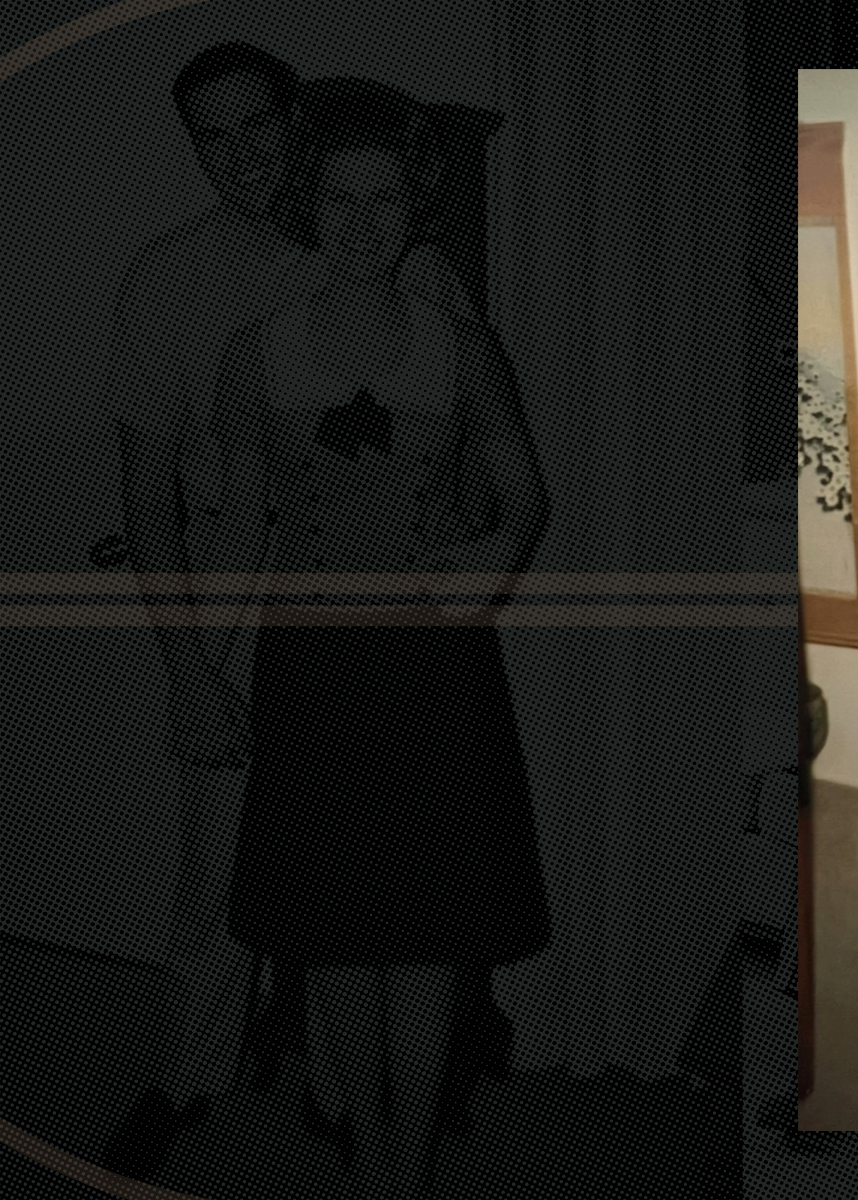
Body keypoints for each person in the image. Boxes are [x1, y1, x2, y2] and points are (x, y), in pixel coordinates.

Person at [97, 43, 488, 1182]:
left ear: (298, 122)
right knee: (215, 868)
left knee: (355, 863)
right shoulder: (166, 278)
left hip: (368, 599)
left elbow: (471, 454)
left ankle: (339, 1092)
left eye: (257, 125)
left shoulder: (409, 267)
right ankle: (191, 1076)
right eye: (210, 138)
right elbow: (146, 492)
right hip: (235, 576)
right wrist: (187, 673)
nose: (239, 156)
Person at [206, 94, 552, 1199]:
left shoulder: (463, 348)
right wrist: (199, 672)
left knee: (429, 927)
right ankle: (369, 1152)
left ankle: (409, 1163)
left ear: (416, 210)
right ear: (309, 207)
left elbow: (525, 496)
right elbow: (240, 528)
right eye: (341, 197)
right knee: (337, 927)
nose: (363, 221)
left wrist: (496, 553)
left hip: (434, 665)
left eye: (386, 198)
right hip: (311, 665)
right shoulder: (255, 354)